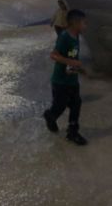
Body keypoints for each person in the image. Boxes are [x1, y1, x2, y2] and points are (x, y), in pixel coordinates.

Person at [43, 9, 88, 145]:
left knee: (76, 104)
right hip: (61, 81)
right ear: (75, 23)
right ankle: (50, 116)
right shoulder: (64, 37)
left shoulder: (76, 36)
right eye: (84, 23)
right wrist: (71, 62)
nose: (86, 26)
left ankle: (72, 132)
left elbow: (72, 56)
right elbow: (54, 55)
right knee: (60, 106)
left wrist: (80, 69)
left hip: (72, 80)